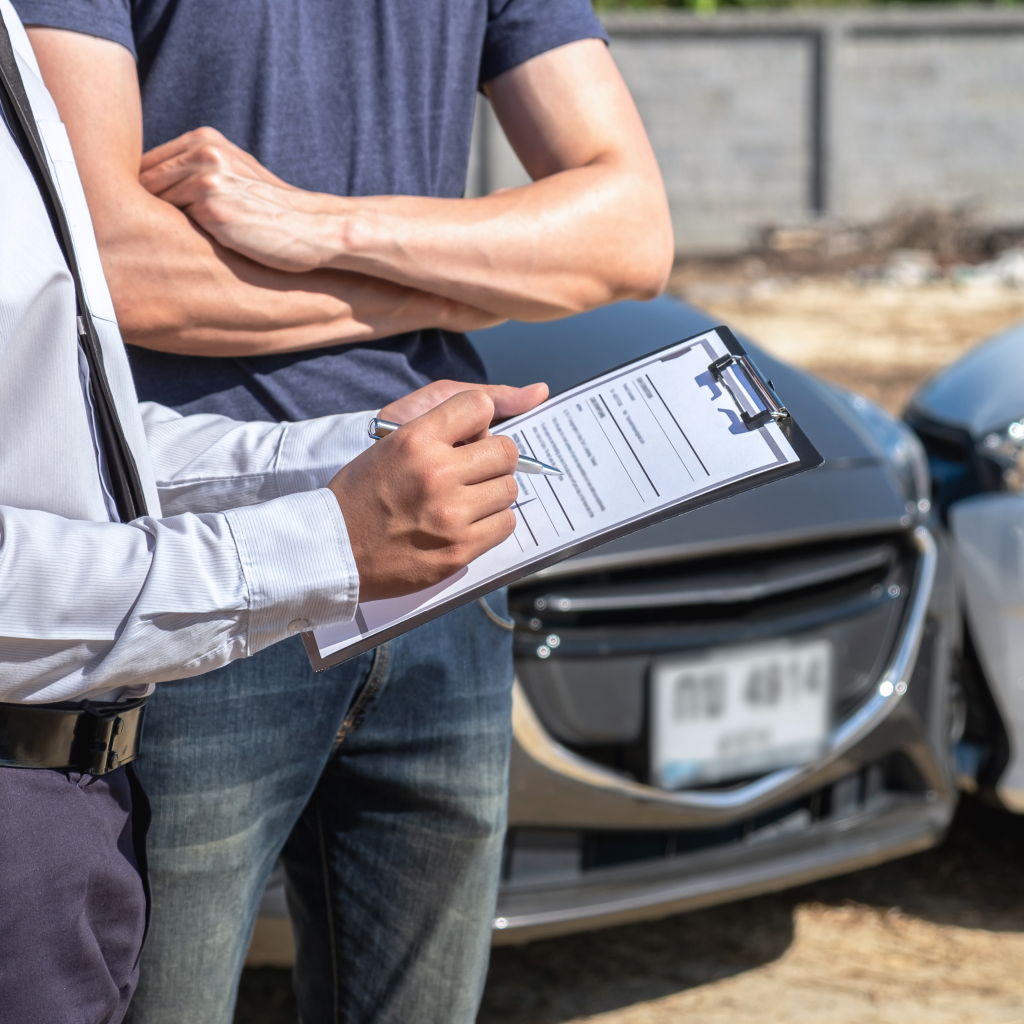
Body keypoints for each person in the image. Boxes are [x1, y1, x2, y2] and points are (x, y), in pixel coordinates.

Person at [16, 2, 675, 1021]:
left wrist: (321, 223)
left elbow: (627, 236)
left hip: (451, 547)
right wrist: (465, 285)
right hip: (201, 559)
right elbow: (110, 264)